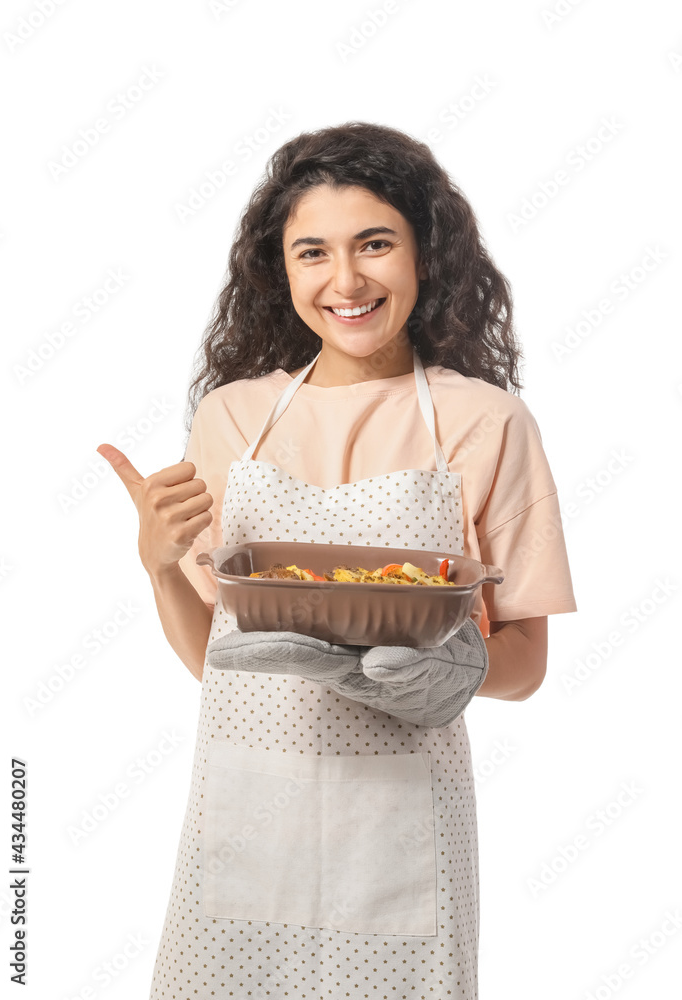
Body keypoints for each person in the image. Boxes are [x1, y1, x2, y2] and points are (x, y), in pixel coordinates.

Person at [98, 120, 577, 999]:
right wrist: (159, 563)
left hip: (400, 834)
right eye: (313, 252)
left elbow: (526, 665)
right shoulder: (234, 419)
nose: (346, 280)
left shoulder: (486, 423)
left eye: (375, 245)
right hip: (246, 815)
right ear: (282, 274)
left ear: (424, 255)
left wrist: (446, 667)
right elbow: (222, 660)